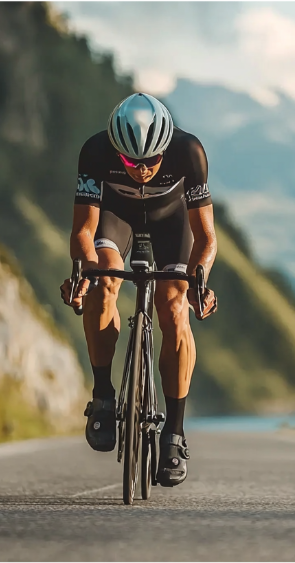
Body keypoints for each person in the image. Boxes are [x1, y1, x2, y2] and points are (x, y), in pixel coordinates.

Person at [60, 92, 218, 487]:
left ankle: (175, 435)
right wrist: (84, 272)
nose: (141, 170)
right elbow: (82, 230)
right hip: (116, 216)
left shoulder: (189, 151)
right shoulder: (96, 152)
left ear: (166, 148)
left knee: (173, 305)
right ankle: (102, 395)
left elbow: (206, 237)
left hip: (171, 220)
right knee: (104, 280)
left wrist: (199, 279)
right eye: (130, 162)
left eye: (150, 161)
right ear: (116, 150)